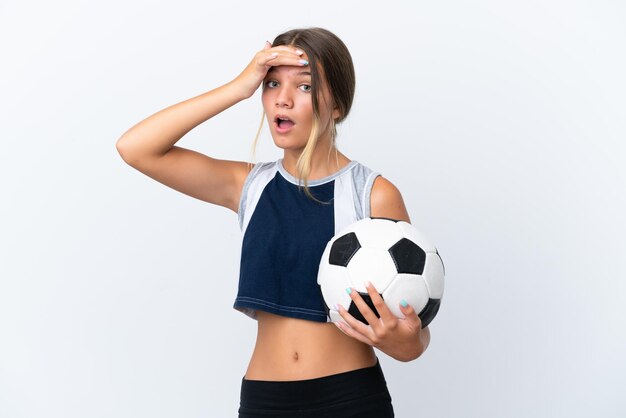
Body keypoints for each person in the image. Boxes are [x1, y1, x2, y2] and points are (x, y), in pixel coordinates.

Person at [116, 27, 430, 418]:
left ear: (336, 106)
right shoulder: (247, 186)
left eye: (304, 86)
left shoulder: (374, 194)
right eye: (272, 83)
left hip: (349, 399)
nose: (281, 98)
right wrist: (238, 86)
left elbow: (414, 340)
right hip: (264, 402)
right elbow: (135, 148)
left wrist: (400, 341)